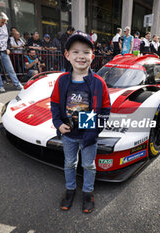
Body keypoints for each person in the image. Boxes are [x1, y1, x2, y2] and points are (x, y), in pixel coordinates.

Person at [50, 31, 111, 213]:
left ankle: (88, 192)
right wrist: (58, 123)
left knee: (88, 165)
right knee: (69, 163)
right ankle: (70, 189)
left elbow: (105, 111)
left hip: (88, 136)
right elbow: (54, 105)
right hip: (68, 134)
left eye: (86, 52)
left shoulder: (99, 82)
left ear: (92, 56)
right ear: (67, 55)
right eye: (75, 52)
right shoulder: (61, 80)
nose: (81, 56)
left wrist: (93, 131)